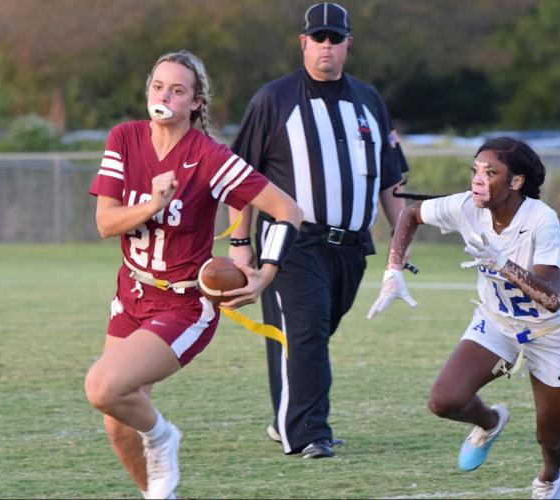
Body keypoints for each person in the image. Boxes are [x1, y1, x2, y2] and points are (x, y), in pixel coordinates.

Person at [84, 50, 303, 499]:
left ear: (196, 102)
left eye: (177, 90)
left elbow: (288, 211)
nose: (164, 96)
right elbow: (105, 223)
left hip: (183, 304)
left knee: (102, 387)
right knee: (116, 422)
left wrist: (265, 273)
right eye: (158, 87)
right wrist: (153, 204)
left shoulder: (210, 156)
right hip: (131, 293)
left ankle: (164, 436)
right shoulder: (124, 137)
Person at [368, 137, 560, 499]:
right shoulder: (466, 206)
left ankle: (550, 477)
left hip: (550, 333)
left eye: (490, 172)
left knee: (551, 439)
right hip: (497, 323)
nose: (477, 179)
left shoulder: (541, 219)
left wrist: (502, 263)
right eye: (475, 170)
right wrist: (393, 269)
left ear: (516, 181)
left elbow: (552, 299)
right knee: (444, 400)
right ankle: (490, 422)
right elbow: (410, 214)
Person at [228, 2, 410, 459]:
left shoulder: (369, 100)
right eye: (318, 38)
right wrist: (239, 244)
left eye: (335, 38)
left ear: (348, 43)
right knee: (305, 332)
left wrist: (400, 245)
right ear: (303, 43)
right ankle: (309, 433)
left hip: (351, 247)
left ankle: (286, 419)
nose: (326, 45)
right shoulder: (274, 99)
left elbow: (391, 180)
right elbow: (240, 178)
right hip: (292, 242)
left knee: (308, 333)